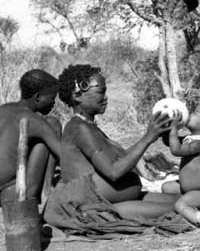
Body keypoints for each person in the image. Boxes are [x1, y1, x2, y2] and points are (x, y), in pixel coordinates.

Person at [57, 64, 179, 219]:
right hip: (103, 206)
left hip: (117, 200)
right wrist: (147, 138)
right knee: (180, 208)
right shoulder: (79, 129)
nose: (106, 97)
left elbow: (116, 159)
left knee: (181, 201)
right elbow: (114, 172)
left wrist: (149, 141)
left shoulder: (88, 126)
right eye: (101, 92)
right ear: (77, 96)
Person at [0, 69, 62, 206]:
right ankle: (47, 191)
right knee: (53, 124)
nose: (53, 103)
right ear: (38, 97)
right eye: (52, 98)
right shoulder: (34, 120)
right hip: (12, 194)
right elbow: (64, 156)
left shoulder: (3, 109)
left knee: (41, 133)